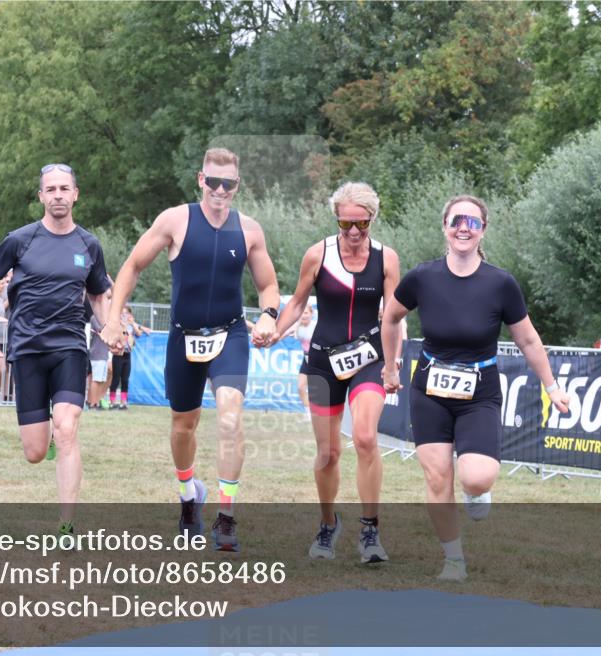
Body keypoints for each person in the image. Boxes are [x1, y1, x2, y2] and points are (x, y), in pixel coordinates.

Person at [381, 194, 570, 581]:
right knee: (436, 478)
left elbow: (529, 341)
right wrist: (390, 364)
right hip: (429, 387)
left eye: (473, 222)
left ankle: (477, 490)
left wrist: (552, 387)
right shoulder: (422, 277)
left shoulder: (501, 284)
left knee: (476, 476)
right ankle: (453, 559)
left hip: (479, 390)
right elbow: (390, 317)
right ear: (445, 228)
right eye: (456, 221)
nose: (464, 227)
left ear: (483, 230)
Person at [101, 147, 280, 552]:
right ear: (201, 180)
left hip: (230, 334)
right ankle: (188, 497)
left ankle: (227, 516)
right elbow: (131, 266)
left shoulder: (249, 230)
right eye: (212, 181)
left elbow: (268, 285)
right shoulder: (175, 220)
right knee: (184, 425)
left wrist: (269, 314)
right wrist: (113, 319)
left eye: (228, 183)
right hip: (184, 337)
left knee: (231, 418)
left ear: (237, 185)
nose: (220, 190)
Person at [0, 162, 112, 536]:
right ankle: (47, 436)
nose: (57, 195)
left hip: (70, 346)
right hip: (28, 349)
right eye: (50, 189)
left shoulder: (89, 245)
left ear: (75, 194)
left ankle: (66, 525)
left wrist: (109, 326)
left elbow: (99, 294)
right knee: (35, 452)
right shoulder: (20, 240)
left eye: (63, 189)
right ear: (40, 196)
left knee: (68, 428)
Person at [268, 182, 401, 563]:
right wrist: (276, 333)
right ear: (336, 220)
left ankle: (370, 532)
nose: (355, 233)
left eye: (362, 224)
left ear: (373, 218)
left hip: (368, 359)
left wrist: (392, 365)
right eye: (346, 224)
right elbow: (295, 303)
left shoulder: (386, 259)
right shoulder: (318, 254)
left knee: (364, 438)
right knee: (327, 453)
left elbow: (393, 318)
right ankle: (328, 524)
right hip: (323, 361)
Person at [109, 305, 146, 410]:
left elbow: (138, 333)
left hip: (127, 355)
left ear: (130, 315)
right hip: (118, 355)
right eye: (122, 314)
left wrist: (132, 323)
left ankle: (123, 402)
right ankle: (112, 402)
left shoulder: (131, 326)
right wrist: (123, 326)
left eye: (127, 313)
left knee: (125, 379)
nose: (124, 316)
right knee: (116, 378)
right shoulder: (118, 326)